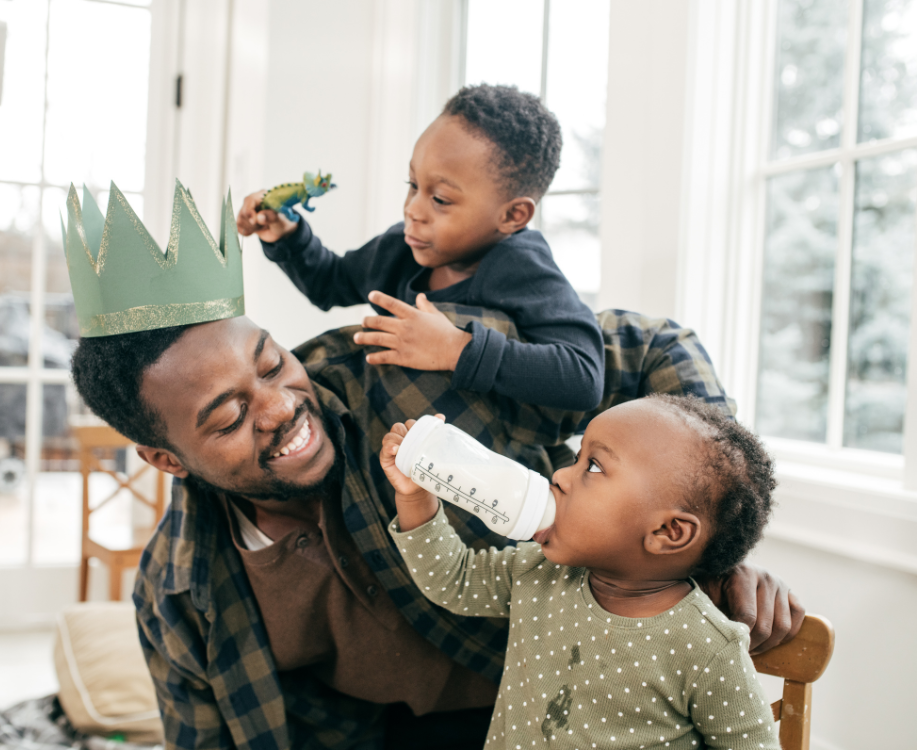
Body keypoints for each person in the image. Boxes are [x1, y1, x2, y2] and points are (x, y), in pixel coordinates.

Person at [61, 181, 803, 750]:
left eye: (270, 362)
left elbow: (654, 347)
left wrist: (710, 543)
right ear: (166, 459)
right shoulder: (178, 590)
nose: (282, 407)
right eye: (226, 417)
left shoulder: (409, 363)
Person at [381, 396, 781, 749]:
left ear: (667, 532)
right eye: (577, 458)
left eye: (592, 467)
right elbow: (455, 580)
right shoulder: (538, 572)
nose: (559, 474)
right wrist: (415, 496)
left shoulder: (707, 648)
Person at [238, 84, 605, 413]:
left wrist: (455, 348)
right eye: (412, 184)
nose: (412, 209)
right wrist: (286, 236)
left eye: (441, 199)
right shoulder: (397, 250)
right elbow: (329, 283)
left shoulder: (523, 268)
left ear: (513, 215)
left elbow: (584, 378)